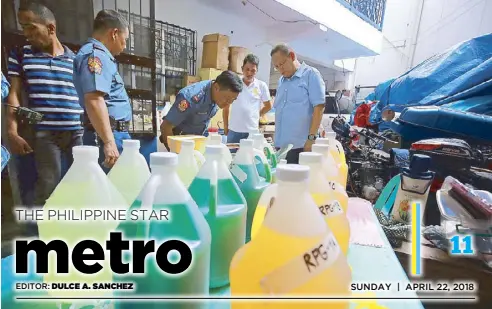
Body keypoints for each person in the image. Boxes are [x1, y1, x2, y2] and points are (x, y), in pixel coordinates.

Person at [6, 2, 83, 230]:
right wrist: (11, 132)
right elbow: (13, 95)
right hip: (46, 135)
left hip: (77, 133)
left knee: (79, 185)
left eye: (31, 28)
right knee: (48, 187)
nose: (26, 34)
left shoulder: (75, 59)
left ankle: (75, 234)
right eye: (23, 28)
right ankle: (44, 238)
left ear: (50, 28)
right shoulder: (20, 54)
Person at [73, 9, 131, 171]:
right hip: (107, 136)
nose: (124, 46)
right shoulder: (95, 56)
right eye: (124, 40)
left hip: (110, 134)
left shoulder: (101, 56)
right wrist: (109, 142)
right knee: (113, 189)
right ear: (114, 33)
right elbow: (94, 99)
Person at [159, 71, 242, 151]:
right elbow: (166, 127)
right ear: (216, 87)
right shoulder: (190, 98)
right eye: (227, 98)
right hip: (180, 145)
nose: (228, 103)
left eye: (233, 100)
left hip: (196, 143)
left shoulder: (217, 95)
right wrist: (174, 154)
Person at [270, 44, 326, 164]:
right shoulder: (281, 81)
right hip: (281, 146)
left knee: (297, 181)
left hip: (301, 146)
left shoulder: (311, 75)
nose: (280, 69)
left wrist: (311, 139)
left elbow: (319, 108)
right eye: (276, 67)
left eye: (282, 64)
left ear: (292, 56)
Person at [223, 54, 272, 143]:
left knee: (251, 156)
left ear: (257, 71)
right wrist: (225, 127)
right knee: (232, 156)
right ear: (242, 69)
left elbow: (268, 106)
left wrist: (257, 115)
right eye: (247, 69)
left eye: (253, 70)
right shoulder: (234, 84)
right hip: (234, 131)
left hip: (252, 132)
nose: (249, 73)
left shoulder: (261, 86)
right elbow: (226, 107)